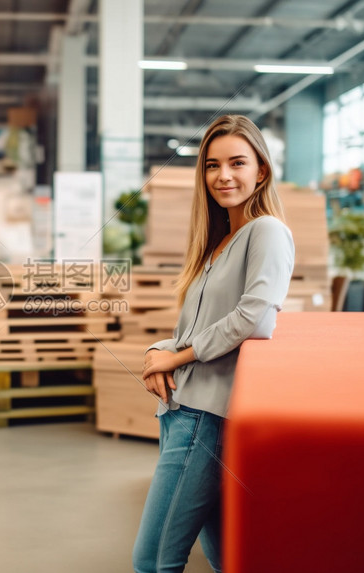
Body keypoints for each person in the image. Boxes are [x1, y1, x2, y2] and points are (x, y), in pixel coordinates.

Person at [132, 115, 295, 573]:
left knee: (153, 560)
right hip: (181, 411)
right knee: (228, 557)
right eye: (211, 165)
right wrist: (156, 352)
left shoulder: (267, 232)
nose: (223, 176)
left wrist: (176, 356)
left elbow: (254, 318)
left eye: (237, 163)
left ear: (261, 170)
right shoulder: (220, 242)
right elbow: (197, 326)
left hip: (205, 417)